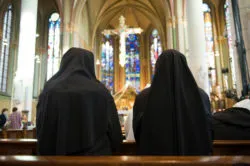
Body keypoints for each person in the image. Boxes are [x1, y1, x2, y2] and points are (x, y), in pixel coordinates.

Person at [37, 48, 122, 155]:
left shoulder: (49, 90)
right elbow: (114, 133)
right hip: (96, 160)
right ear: (90, 65)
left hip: (54, 159)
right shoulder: (101, 91)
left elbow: (40, 128)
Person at [134, 49, 212, 155]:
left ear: (157, 69)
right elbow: (208, 129)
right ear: (185, 67)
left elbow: (138, 132)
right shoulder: (201, 96)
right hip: (195, 158)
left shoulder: (142, 97)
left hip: (153, 159)